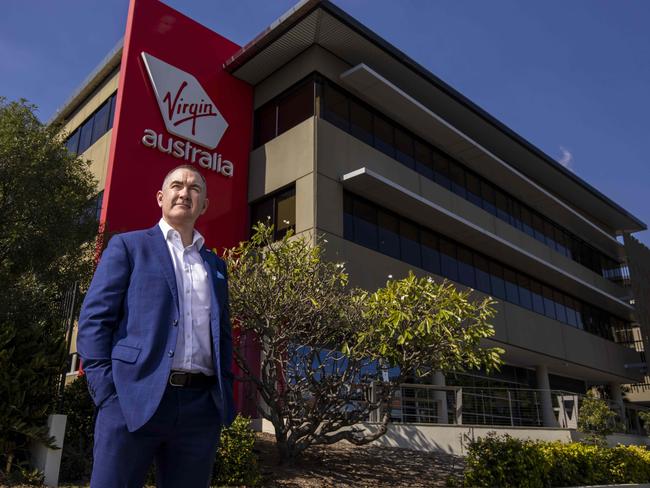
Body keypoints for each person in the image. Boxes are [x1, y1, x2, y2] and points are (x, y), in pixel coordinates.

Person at [77, 164, 234, 487]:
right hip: (131, 398)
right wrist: (107, 392)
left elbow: (222, 333)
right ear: (161, 197)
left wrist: (223, 392)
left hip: (199, 410)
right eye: (177, 185)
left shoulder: (215, 265)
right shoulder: (129, 247)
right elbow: (95, 320)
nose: (184, 193)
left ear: (203, 205)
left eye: (194, 189)